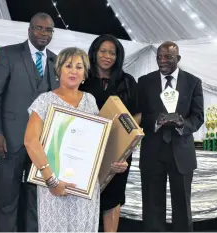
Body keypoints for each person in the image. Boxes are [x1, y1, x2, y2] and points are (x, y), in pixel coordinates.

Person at [23, 47, 128, 232]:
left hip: (85, 187)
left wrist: (113, 163)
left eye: (79, 67)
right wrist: (51, 181)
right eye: (68, 65)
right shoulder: (44, 100)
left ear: (85, 74)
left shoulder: (90, 100)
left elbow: (96, 146)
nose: (74, 71)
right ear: (59, 70)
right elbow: (30, 142)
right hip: (53, 185)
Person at [0, 12, 57, 232]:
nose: (43, 33)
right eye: (38, 28)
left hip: (42, 144)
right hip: (11, 138)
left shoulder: (56, 61)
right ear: (29, 29)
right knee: (8, 198)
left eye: (48, 30)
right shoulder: (8, 54)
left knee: (37, 201)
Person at [136, 41, 204, 232]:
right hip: (152, 153)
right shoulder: (144, 81)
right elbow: (137, 116)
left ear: (178, 58)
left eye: (168, 57)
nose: (162, 61)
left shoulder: (193, 82)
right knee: (152, 206)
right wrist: (155, 121)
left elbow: (198, 117)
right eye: (159, 57)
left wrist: (183, 123)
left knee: (182, 206)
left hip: (181, 153)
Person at [79, 34, 138, 232]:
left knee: (113, 198)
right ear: (94, 53)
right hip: (86, 150)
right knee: (85, 195)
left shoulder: (127, 81)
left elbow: (136, 115)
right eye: (103, 51)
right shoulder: (82, 79)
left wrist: (127, 140)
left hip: (117, 149)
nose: (107, 56)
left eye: (112, 53)